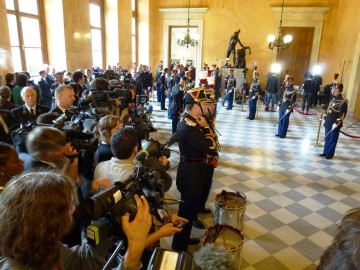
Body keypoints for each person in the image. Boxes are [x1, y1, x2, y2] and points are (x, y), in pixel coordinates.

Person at [0, 171, 152, 270]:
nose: (75, 209)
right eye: (70, 205)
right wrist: (134, 252)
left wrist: (106, 230)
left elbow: (79, 262)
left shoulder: (41, 244)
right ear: (50, 220)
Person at [172, 87, 218, 252]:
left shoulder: (192, 120)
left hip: (195, 170)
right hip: (190, 174)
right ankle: (178, 247)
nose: (206, 106)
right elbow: (210, 148)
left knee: (189, 213)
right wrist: (206, 127)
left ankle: (183, 239)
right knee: (185, 213)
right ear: (195, 105)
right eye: (203, 103)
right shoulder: (188, 125)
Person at [319, 83, 347, 160]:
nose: (331, 90)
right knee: (327, 138)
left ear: (337, 89)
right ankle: (325, 151)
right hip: (328, 121)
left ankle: (330, 154)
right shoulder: (332, 98)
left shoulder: (343, 101)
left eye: (333, 88)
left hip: (335, 123)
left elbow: (342, 114)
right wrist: (325, 118)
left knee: (333, 139)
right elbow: (328, 109)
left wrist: (337, 123)